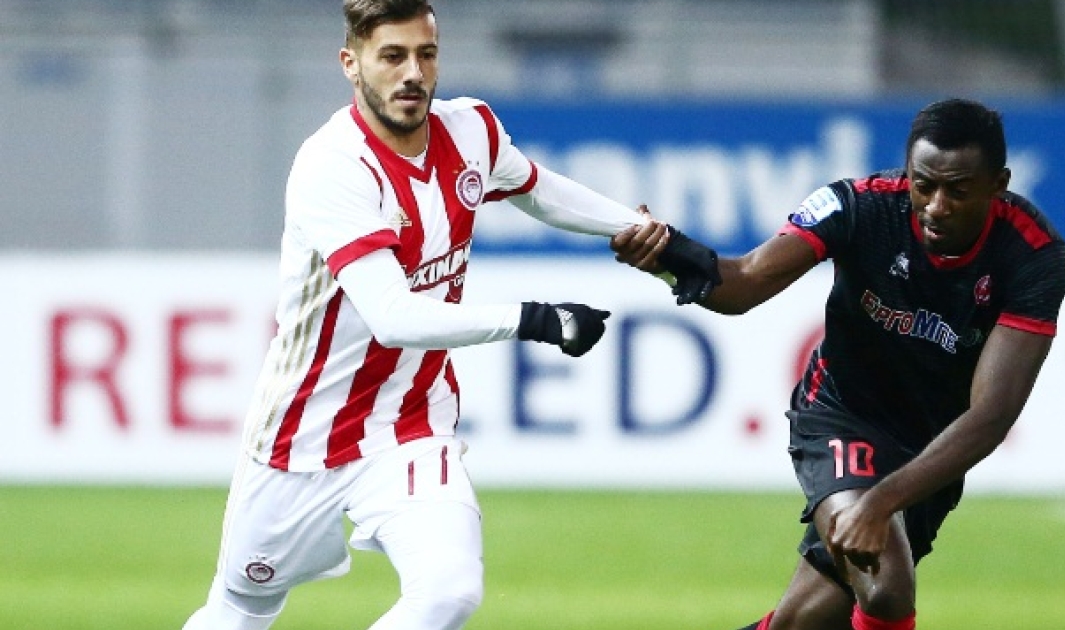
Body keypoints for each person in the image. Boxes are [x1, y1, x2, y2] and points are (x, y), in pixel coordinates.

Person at [179, 1, 712, 629]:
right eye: (392, 56)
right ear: (351, 64)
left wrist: (653, 235)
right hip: (303, 434)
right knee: (242, 608)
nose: (413, 73)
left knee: (449, 591)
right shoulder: (333, 166)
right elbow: (393, 316)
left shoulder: (471, 130)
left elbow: (539, 189)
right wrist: (534, 318)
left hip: (411, 422)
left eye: (425, 54)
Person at [611, 98, 1065, 630]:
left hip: (932, 450)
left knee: (803, 624)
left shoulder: (1034, 255)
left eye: (959, 191)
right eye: (923, 185)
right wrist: (666, 255)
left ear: (999, 184)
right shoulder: (858, 206)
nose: (936, 206)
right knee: (886, 590)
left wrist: (881, 502)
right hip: (842, 414)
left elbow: (992, 414)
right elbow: (745, 282)